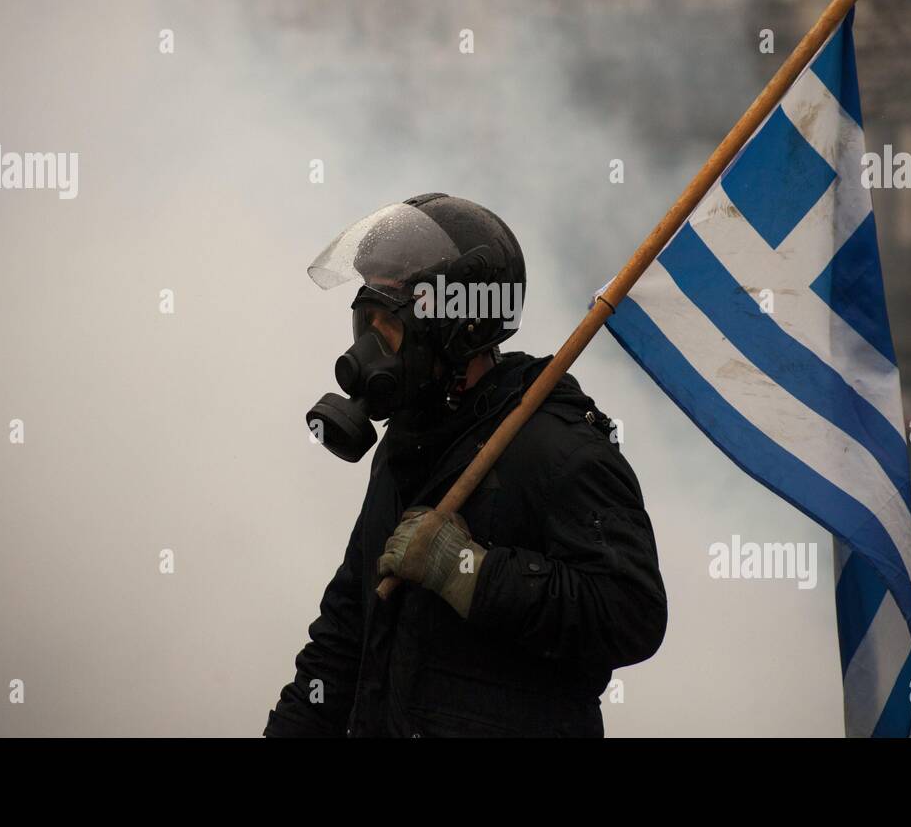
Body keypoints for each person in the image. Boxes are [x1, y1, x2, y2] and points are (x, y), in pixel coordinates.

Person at [265, 193, 668, 737]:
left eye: (389, 322)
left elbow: (631, 614)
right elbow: (344, 636)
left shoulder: (555, 446)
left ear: (462, 327)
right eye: (366, 319)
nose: (367, 346)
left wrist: (470, 573)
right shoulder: (406, 444)